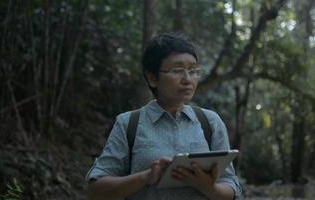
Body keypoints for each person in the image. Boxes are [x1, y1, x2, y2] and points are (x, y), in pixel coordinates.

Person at [86, 33, 242, 200]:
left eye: (193, 70)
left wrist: (207, 187)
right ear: (152, 78)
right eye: (178, 70)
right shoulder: (128, 124)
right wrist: (144, 177)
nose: (188, 79)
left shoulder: (210, 122)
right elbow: (95, 190)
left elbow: (231, 185)